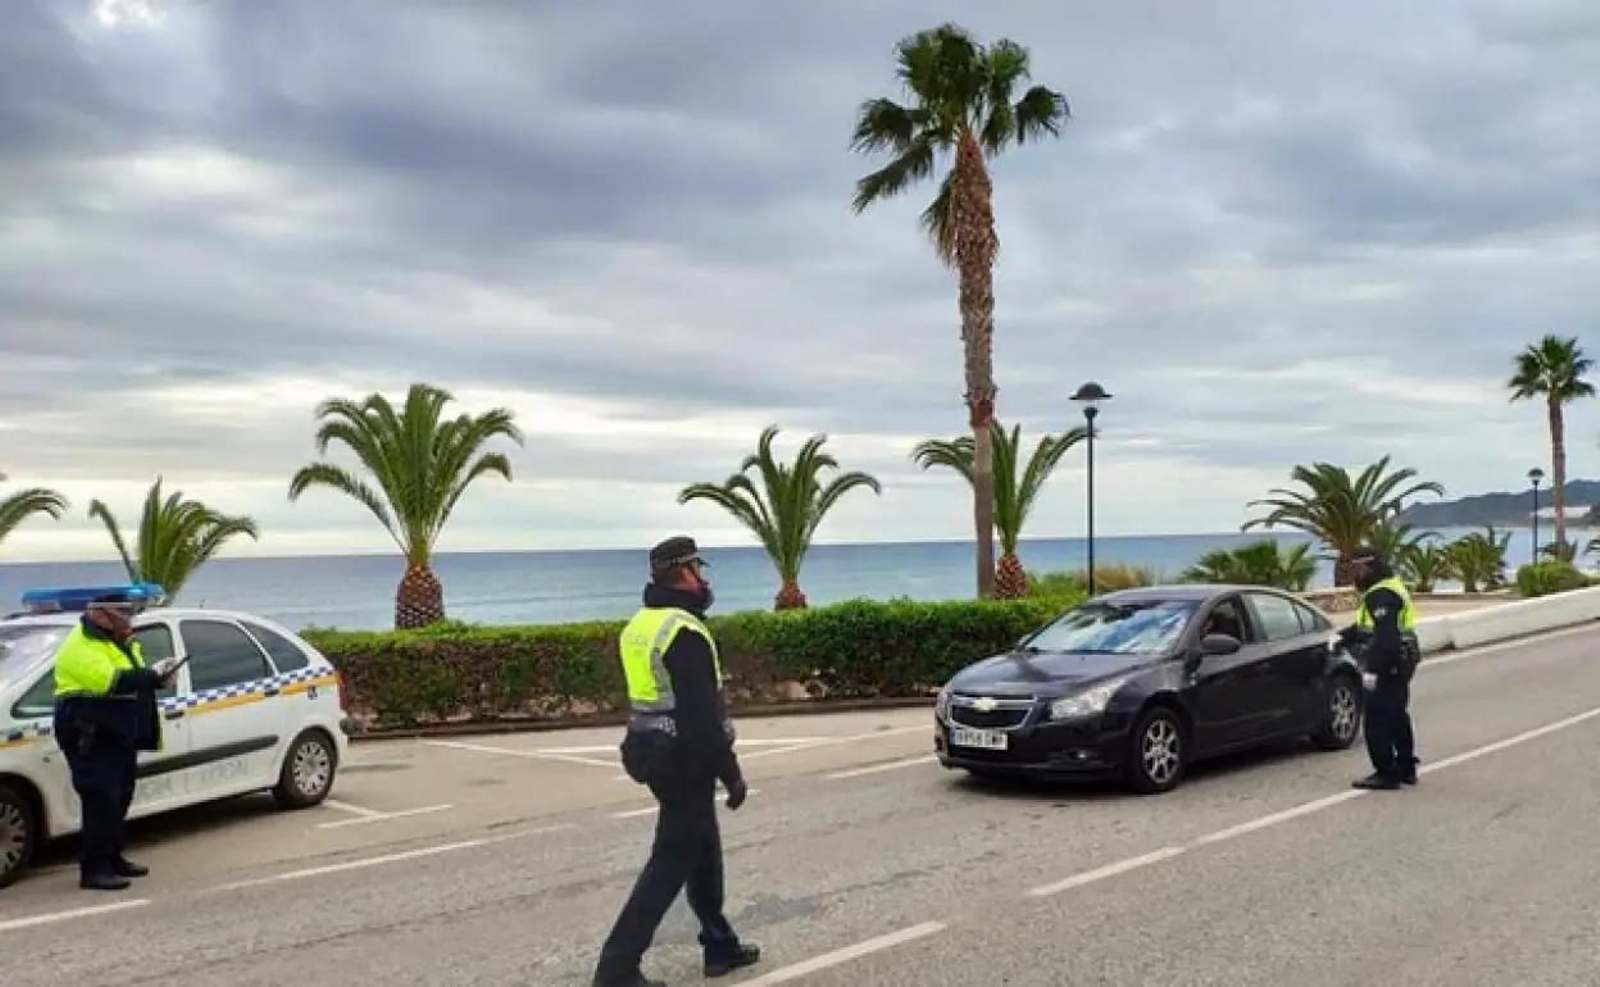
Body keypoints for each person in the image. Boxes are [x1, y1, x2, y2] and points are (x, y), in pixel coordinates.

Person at [593, 537, 761, 987]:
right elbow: (701, 716)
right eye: (699, 570)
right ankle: (616, 970)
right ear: (685, 572)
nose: (704, 580)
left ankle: (719, 945)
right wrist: (732, 773)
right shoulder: (683, 630)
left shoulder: (642, 624)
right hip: (687, 759)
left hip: (653, 750)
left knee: (702, 853)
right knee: (668, 864)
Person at [52, 592, 178, 890]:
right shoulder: (81, 644)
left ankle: (112, 857)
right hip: (88, 730)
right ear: (100, 614)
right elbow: (109, 680)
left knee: (120, 795)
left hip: (114, 731)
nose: (130, 618)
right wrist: (148, 675)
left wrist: (156, 677)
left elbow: (132, 676)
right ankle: (94, 868)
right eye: (123, 613)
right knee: (100, 798)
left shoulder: (116, 642)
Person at [1337, 546, 1420, 790]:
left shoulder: (1380, 595)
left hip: (1388, 663)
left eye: (1357, 569)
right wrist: (1345, 636)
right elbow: (1369, 626)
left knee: (1376, 719)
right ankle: (1407, 767)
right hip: (1403, 660)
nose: (1355, 575)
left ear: (1368, 567)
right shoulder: (1391, 586)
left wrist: (1373, 670)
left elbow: (1386, 638)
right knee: (1396, 716)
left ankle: (1386, 772)